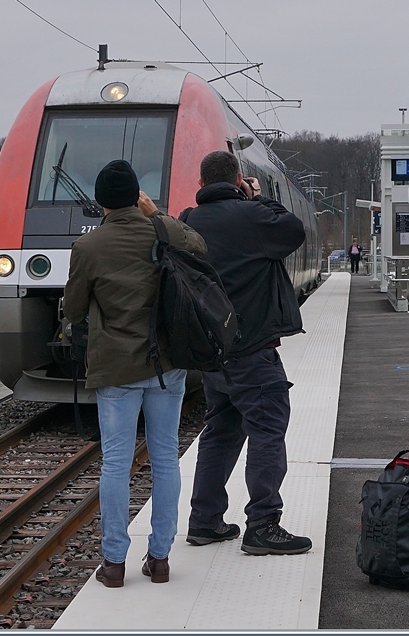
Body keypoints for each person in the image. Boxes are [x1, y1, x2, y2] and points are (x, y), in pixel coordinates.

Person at [63, 159, 207, 588]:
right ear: (136, 197)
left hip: (115, 369)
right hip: (166, 367)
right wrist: (157, 213)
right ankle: (160, 558)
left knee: (116, 463)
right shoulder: (159, 232)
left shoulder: (88, 247)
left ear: (99, 202)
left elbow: (73, 310)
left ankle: (113, 563)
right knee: (165, 457)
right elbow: (199, 245)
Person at [181, 150, 312, 555]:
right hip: (253, 348)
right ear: (238, 180)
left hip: (212, 352)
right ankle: (263, 524)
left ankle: (205, 521)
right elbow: (294, 230)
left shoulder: (188, 220)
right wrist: (257, 198)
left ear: (201, 184)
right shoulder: (253, 216)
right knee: (268, 428)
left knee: (220, 431)